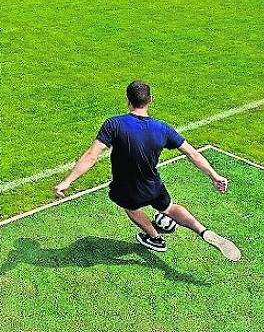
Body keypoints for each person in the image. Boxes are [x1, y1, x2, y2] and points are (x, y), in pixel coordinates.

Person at [54, 81, 241, 261]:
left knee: (131, 208)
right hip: (153, 185)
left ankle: (155, 238)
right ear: (151, 99)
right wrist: (214, 176)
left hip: (127, 188)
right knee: (169, 207)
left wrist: (68, 180)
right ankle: (202, 230)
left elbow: (91, 156)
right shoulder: (162, 128)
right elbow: (192, 153)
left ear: (128, 100)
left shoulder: (114, 124)